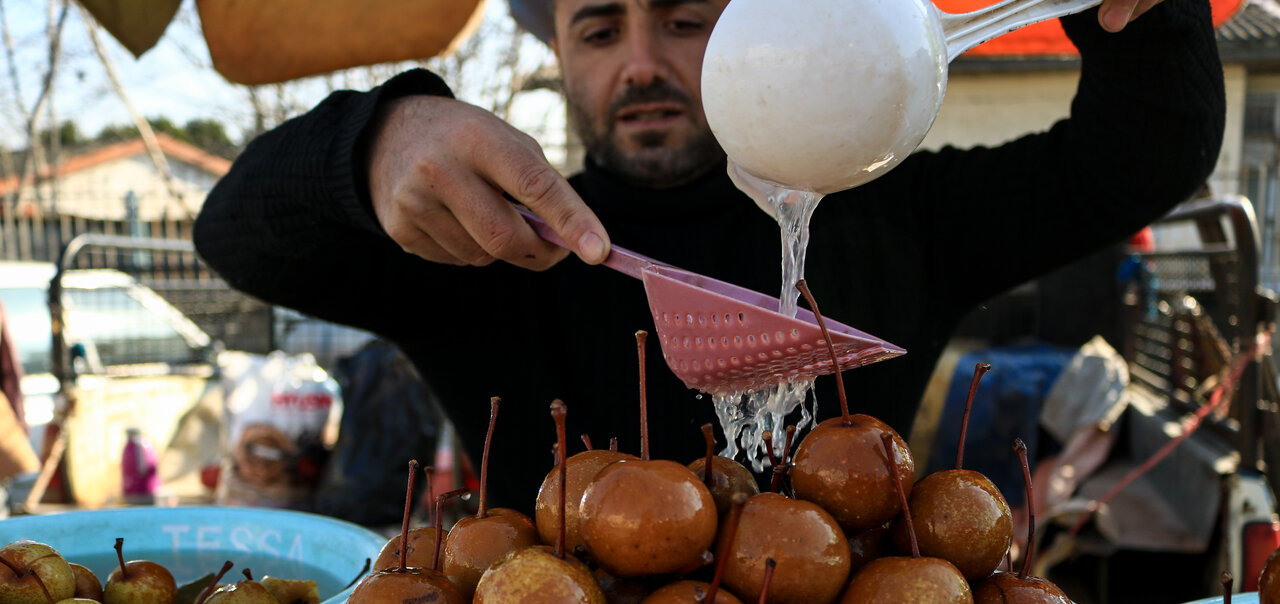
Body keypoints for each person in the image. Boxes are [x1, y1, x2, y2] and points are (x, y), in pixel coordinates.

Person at [193, 0, 1225, 513]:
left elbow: (1134, 159)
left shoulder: (884, 210)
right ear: (557, 53)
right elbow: (232, 235)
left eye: (685, 19)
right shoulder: (490, 238)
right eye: (598, 28)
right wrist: (368, 145)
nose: (640, 62)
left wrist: (1136, 20)